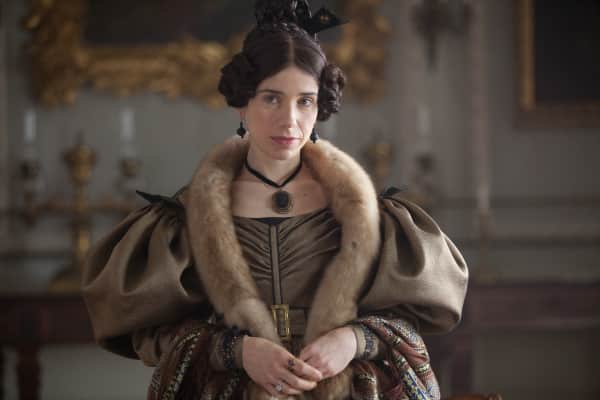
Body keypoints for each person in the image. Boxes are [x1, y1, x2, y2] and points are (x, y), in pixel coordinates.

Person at [82, 1, 468, 399]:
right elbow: (152, 334)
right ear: (242, 102)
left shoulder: (370, 214)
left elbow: (410, 322)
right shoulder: (186, 218)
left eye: (305, 101)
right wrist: (238, 351)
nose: (289, 120)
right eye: (271, 98)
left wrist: (353, 341)